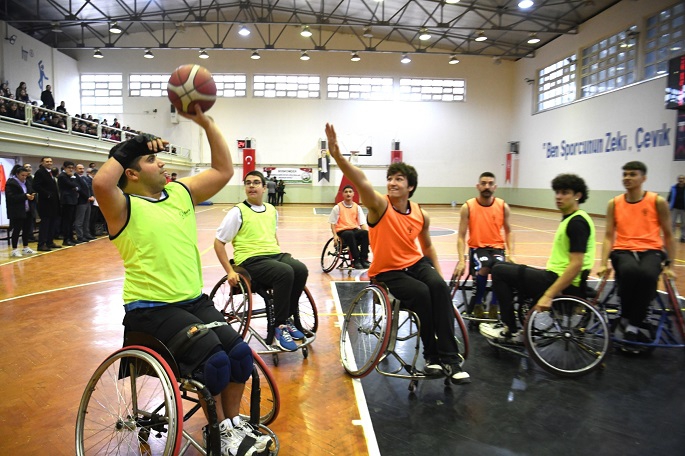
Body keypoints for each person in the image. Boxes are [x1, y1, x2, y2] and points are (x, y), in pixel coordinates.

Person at [93, 106, 271, 456]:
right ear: (131, 172)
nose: (160, 163)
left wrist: (206, 122)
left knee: (239, 354)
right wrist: (134, 143)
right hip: (151, 310)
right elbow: (101, 182)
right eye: (149, 160)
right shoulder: (122, 207)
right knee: (215, 360)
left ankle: (231, 427)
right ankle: (218, 432)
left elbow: (224, 169)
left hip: (193, 302)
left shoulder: (180, 193)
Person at [324, 123, 470, 384]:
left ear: (410, 187)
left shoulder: (420, 213)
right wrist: (337, 155)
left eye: (398, 179)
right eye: (390, 178)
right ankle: (432, 356)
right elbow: (360, 180)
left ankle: (451, 357)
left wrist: (435, 271)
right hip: (387, 272)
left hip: (415, 264)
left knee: (438, 286)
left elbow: (427, 246)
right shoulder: (380, 206)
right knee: (423, 294)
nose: (392, 182)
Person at [481, 174, 596, 344]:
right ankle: (516, 322)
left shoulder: (576, 223)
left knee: (498, 270)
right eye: (557, 192)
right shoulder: (574, 219)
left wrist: (549, 295)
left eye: (565, 193)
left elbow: (576, 265)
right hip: (557, 277)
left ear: (577, 195)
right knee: (502, 265)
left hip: (559, 283)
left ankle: (509, 329)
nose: (558, 196)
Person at [214, 170, 309, 352]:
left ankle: (287, 317)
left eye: (256, 182)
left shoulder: (271, 210)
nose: (251, 186)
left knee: (300, 269)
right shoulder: (238, 212)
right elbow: (218, 243)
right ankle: (279, 326)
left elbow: (272, 235)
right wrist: (230, 271)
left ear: (264, 187)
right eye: (248, 183)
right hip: (250, 260)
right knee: (284, 272)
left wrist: (279, 254)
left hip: (272, 255)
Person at [598, 161, 675, 348]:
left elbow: (669, 235)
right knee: (630, 272)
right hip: (623, 249)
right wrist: (602, 262)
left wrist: (670, 266)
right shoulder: (614, 203)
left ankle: (632, 324)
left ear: (643, 178)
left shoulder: (657, 202)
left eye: (632, 174)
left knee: (648, 275)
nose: (627, 178)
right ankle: (625, 315)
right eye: (625, 174)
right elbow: (609, 236)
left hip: (651, 250)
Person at [455, 172, 514, 319]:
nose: (486, 186)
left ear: (495, 187)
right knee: (485, 265)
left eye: (490, 183)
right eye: (483, 183)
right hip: (477, 248)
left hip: (497, 249)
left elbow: (509, 232)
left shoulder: (502, 206)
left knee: (500, 269)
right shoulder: (468, 206)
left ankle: (494, 305)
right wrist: (461, 261)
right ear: (478, 186)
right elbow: (461, 236)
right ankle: (478, 303)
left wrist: (511, 254)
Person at [328, 184, 370, 269]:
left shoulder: (357, 207)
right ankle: (356, 260)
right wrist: (335, 236)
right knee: (349, 234)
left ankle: (363, 259)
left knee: (365, 233)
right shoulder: (337, 207)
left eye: (350, 192)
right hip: (342, 231)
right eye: (346, 192)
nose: (348, 194)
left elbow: (362, 223)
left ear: (353, 194)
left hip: (354, 230)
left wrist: (369, 235)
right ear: (343, 194)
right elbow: (333, 223)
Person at [31, 156, 62, 251]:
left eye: (50, 161)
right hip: (45, 203)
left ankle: (49, 242)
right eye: (47, 161)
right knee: (45, 225)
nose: (49, 163)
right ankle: (41, 244)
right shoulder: (40, 172)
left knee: (52, 224)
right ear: (42, 162)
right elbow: (35, 186)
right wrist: (47, 194)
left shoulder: (50, 173)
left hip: (53, 203)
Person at [5, 165, 36, 257]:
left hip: (27, 209)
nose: (24, 177)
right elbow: (11, 197)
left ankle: (25, 247)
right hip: (17, 211)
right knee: (17, 230)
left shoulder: (27, 182)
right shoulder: (11, 183)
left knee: (26, 230)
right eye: (22, 175)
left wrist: (32, 195)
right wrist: (25, 196)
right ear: (17, 174)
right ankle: (14, 249)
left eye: (26, 175)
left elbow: (30, 191)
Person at [57, 161, 80, 245]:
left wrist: (75, 186)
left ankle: (71, 237)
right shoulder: (62, 176)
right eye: (69, 168)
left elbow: (78, 186)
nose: (71, 169)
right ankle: (66, 239)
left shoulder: (70, 176)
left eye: (72, 168)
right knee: (67, 221)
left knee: (71, 221)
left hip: (73, 200)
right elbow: (72, 185)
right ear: (64, 168)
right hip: (67, 201)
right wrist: (73, 181)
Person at [667, 175, 685, 243]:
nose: (681, 180)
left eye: (682, 178)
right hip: (674, 208)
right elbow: (669, 197)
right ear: (677, 180)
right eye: (680, 178)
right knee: (672, 223)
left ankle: (683, 237)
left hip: (683, 209)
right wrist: (667, 204)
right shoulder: (673, 188)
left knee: (684, 223)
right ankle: (672, 236)